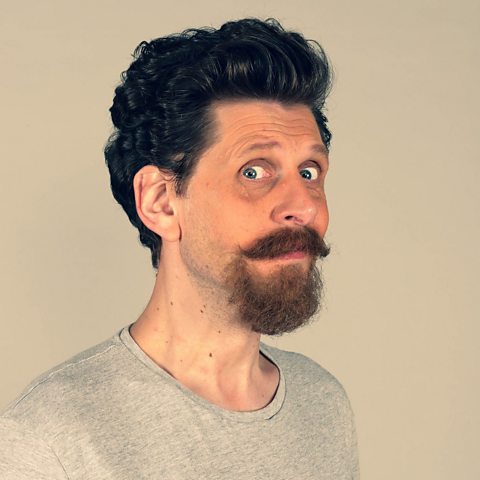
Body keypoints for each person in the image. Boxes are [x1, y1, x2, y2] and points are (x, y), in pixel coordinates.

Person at [0, 18, 359, 479]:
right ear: (162, 202)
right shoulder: (49, 440)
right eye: (255, 171)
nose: (303, 207)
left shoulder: (322, 403)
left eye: (309, 172)